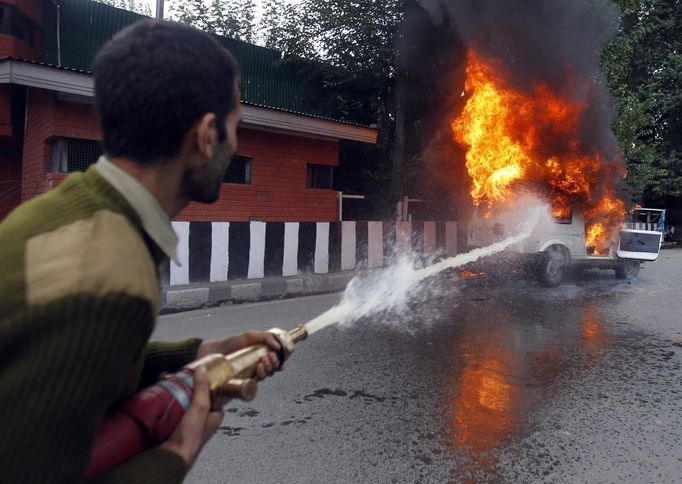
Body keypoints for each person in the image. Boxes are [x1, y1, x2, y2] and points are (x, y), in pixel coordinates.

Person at [0, 19, 282, 483]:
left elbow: (76, 363)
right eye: (236, 128)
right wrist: (177, 456)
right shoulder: (112, 272)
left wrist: (199, 351)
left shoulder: (66, 215)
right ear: (207, 135)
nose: (236, 146)